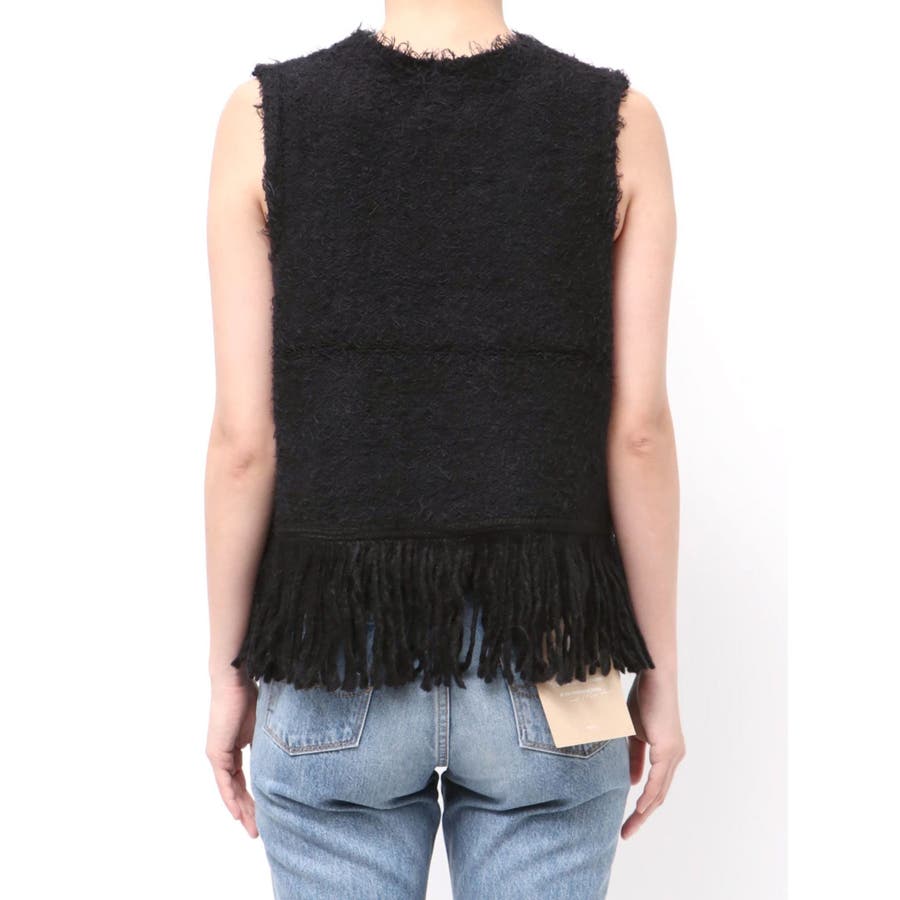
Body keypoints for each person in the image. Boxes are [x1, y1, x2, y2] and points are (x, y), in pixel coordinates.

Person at [205, 3, 684, 897]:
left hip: (334, 653)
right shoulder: (618, 121)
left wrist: (231, 671)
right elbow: (639, 431)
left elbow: (243, 442)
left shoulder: (266, 116)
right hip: (547, 652)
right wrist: (657, 670)